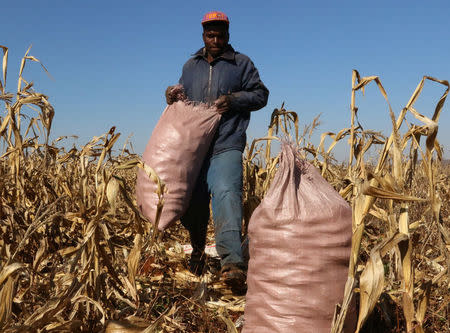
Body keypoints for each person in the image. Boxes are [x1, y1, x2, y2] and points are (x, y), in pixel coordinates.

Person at [165, 11, 269, 287]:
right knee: (193, 203)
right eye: (210, 35)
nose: (215, 40)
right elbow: (183, 100)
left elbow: (261, 95)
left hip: (227, 143)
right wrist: (172, 96)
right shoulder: (190, 66)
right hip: (195, 148)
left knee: (226, 195)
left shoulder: (241, 64)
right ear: (203, 36)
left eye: (220, 35)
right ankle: (197, 250)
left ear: (228, 36)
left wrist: (233, 100)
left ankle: (232, 263)